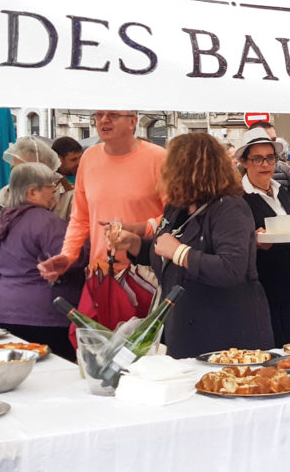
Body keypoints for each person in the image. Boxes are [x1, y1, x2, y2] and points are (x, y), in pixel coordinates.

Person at [109, 133, 273, 358]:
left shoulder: (230, 208)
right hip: (183, 330)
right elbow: (163, 251)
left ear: (186, 167)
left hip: (224, 334)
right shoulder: (177, 207)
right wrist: (134, 243)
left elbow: (231, 268)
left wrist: (180, 252)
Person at [39, 110, 166, 281]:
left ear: (132, 122)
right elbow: (80, 218)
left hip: (145, 274)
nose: (104, 120)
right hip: (100, 272)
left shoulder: (159, 158)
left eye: (113, 115)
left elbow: (176, 219)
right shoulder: (89, 157)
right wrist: (68, 255)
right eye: (99, 115)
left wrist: (141, 228)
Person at [0, 163, 86, 361]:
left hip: (8, 312)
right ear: (33, 192)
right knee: (53, 373)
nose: (55, 193)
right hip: (46, 315)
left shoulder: (4, 221)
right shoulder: (47, 222)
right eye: (51, 187)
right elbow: (70, 259)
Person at [237, 127, 290, 346]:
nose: (265, 164)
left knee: (287, 340)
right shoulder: (239, 198)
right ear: (245, 162)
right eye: (258, 159)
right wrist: (253, 242)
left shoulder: (281, 191)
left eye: (270, 158)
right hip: (258, 282)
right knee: (266, 343)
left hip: (286, 276)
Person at [0, 136, 70, 243]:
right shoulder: (9, 192)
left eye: (24, 167)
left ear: (44, 164)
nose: (19, 173)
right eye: (15, 167)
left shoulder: (67, 194)